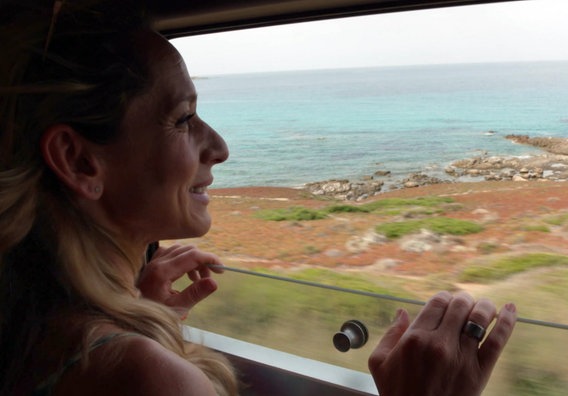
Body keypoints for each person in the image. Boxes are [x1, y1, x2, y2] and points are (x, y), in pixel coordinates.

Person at [0, 1, 517, 395]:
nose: (219, 148)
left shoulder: (39, 324)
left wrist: (141, 316)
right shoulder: (138, 374)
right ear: (78, 161)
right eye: (183, 118)